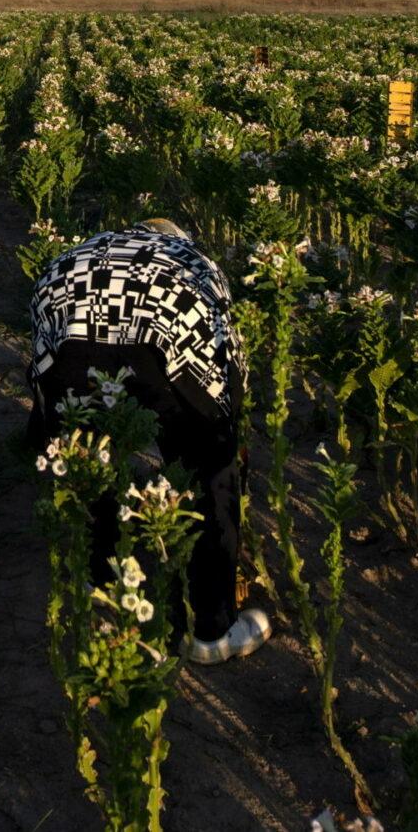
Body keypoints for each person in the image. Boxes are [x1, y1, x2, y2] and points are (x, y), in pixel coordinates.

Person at [28, 219, 271, 664]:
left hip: (71, 331)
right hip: (163, 340)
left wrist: (46, 435)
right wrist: (228, 440)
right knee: (208, 463)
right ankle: (211, 630)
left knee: (87, 452)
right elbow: (224, 365)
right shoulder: (195, 259)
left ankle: (97, 581)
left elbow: (42, 379)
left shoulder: (79, 252)